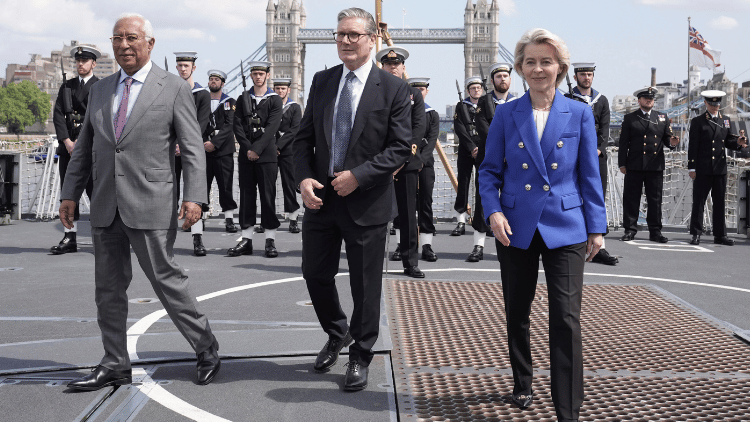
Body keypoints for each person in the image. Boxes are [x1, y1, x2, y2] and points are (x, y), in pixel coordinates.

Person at [59, 13, 220, 390]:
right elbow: (85, 148)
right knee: (108, 289)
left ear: (150, 44)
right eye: (117, 38)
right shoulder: (100, 89)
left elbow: (193, 149)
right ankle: (114, 361)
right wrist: (69, 192)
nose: (124, 45)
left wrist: (195, 196)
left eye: (132, 38)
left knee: (167, 281)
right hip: (105, 203)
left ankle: (205, 347)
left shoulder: (173, 87)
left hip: (151, 201)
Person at [478, 28, 606, 422]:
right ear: (519, 68)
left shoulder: (579, 112)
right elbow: (488, 172)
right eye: (530, 62)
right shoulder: (505, 113)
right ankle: (523, 380)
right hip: (514, 226)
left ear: (560, 68)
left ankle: (568, 408)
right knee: (517, 310)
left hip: (566, 225)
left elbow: (589, 174)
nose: (538, 69)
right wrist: (493, 212)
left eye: (546, 61)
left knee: (566, 317)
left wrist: (596, 226)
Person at [293, 7, 411, 391]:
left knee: (365, 286)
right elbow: (303, 139)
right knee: (314, 274)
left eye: (353, 35)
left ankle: (361, 353)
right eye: (340, 34)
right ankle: (336, 331)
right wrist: (304, 178)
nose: (345, 40)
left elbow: (399, 148)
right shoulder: (323, 80)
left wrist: (358, 177)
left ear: (372, 39)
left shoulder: (393, 88)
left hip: (367, 203)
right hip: (322, 201)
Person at [377, 45, 426, 278]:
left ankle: (410, 262)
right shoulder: (373, 92)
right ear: (382, 67)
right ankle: (373, 261)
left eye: (396, 65)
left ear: (403, 68)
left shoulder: (414, 95)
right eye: (388, 64)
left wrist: (401, 160)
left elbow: (418, 129)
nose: (392, 68)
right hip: (377, 165)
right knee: (374, 214)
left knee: (407, 216)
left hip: (406, 165)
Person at [228, 61, 283, 258]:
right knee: (247, 197)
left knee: (268, 198)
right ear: (251, 76)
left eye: (261, 73)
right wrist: (248, 148)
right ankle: (246, 240)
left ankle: (270, 240)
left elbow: (272, 128)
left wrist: (257, 149)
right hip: (246, 156)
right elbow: (238, 126)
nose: (258, 77)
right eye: (255, 74)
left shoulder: (275, 100)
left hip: (266, 156)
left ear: (267, 75)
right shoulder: (242, 98)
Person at [50, 45, 100, 254]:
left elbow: (99, 117)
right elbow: (58, 115)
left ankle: (100, 238)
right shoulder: (67, 87)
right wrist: (67, 141)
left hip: (90, 149)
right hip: (68, 148)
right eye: (78, 61)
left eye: (85, 61)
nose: (80, 64)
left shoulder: (101, 86)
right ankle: (70, 236)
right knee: (68, 192)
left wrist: (80, 141)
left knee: (95, 193)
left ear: (93, 64)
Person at [570, 62, 617, 265]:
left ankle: (600, 247)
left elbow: (604, 131)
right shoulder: (567, 99)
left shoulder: (602, 101)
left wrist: (598, 149)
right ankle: (576, 243)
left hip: (596, 157)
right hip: (574, 157)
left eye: (589, 74)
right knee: (573, 198)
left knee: (597, 199)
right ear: (575, 77)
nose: (586, 78)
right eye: (583, 75)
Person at [618, 86, 679, 242]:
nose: (649, 100)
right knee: (631, 200)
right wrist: (622, 164)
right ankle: (630, 230)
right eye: (646, 98)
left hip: (655, 166)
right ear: (639, 101)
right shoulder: (630, 118)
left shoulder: (662, 118)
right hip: (634, 165)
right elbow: (624, 143)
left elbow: (667, 140)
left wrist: (672, 143)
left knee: (655, 200)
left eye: (651, 99)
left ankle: (655, 232)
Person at [688, 90, 748, 245]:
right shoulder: (698, 121)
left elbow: (728, 141)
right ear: (706, 104)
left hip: (719, 168)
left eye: (717, 104)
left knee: (720, 202)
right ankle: (696, 234)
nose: (715, 107)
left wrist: (739, 144)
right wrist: (692, 168)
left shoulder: (725, 121)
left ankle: (720, 235)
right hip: (703, 168)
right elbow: (693, 146)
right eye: (712, 104)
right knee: (699, 202)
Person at [173, 51, 211, 255]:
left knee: (195, 194)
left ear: (193, 68)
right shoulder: (171, 91)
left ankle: (198, 239)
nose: (182, 69)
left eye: (186, 66)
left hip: (192, 151)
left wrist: (184, 144)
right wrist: (175, 144)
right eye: (179, 66)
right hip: (172, 150)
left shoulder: (202, 94)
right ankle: (166, 238)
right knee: (170, 194)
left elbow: (201, 125)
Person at [454, 76, 489, 262]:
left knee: (481, 187)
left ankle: (482, 221)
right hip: (468, 150)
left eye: (479, 87)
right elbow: (459, 128)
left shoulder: (487, 104)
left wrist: (480, 147)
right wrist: (471, 147)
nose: (476, 90)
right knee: (464, 184)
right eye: (473, 88)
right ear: (468, 91)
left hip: (482, 149)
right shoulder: (462, 106)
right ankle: (460, 220)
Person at [408, 77, 440, 262]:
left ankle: (426, 245)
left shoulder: (432, 114)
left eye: (422, 89)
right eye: (416, 89)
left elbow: (432, 139)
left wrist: (420, 160)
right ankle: (402, 244)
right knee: (406, 206)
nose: (419, 92)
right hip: (404, 163)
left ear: (426, 91)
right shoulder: (402, 112)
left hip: (424, 164)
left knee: (425, 204)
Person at [205, 69, 239, 234]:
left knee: (225, 186)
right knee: (202, 186)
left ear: (222, 83)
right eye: (211, 79)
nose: (213, 82)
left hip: (223, 151)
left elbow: (229, 125)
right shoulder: (201, 101)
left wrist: (214, 143)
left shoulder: (230, 102)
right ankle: (200, 217)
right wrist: (204, 142)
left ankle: (229, 219)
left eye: (216, 80)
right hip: (203, 150)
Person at [272, 78, 303, 233]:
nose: (280, 91)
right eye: (277, 88)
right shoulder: (269, 106)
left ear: (288, 90)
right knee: (268, 186)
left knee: (289, 185)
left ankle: (293, 219)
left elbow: (295, 129)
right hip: (270, 150)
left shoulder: (295, 108)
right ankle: (268, 219)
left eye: (283, 89)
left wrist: (278, 145)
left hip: (288, 151)